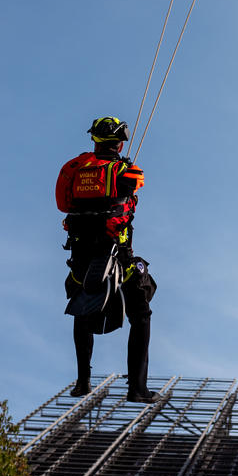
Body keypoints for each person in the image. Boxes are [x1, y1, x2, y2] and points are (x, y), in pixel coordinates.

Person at [55, 116, 159, 403]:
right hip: (118, 256)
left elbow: (63, 204)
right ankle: (137, 389)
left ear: (94, 140)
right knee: (141, 314)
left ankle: (83, 382)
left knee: (81, 309)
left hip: (81, 258)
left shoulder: (75, 168)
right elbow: (136, 190)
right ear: (121, 142)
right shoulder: (126, 170)